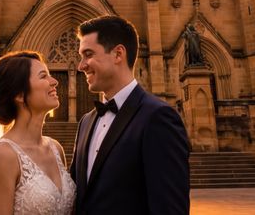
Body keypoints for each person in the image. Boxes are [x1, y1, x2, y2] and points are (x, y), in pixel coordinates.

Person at [71, 15, 190, 214]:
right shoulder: (86, 121)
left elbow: (170, 208)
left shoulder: (158, 117)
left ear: (118, 54)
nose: (81, 65)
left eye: (88, 54)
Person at [0, 51, 75, 215]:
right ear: (19, 94)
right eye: (43, 76)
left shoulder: (56, 149)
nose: (54, 82)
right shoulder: (3, 155)